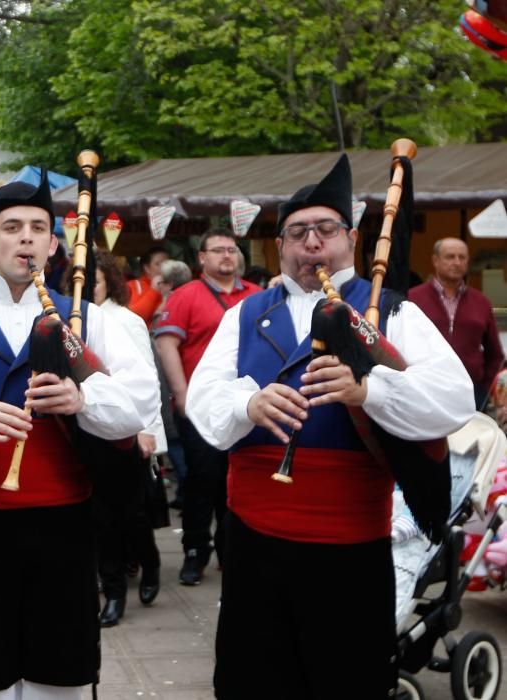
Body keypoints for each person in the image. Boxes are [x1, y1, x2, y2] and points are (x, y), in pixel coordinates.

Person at [187, 155, 475, 699]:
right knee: (254, 681)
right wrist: (247, 404)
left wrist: (371, 391)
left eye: (326, 229)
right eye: (297, 232)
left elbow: (454, 399)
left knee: (346, 682)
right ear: (280, 246)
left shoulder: (389, 311)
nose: (312, 242)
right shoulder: (246, 314)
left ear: (350, 239)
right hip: (253, 542)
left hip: (349, 548)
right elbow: (202, 400)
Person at [0, 173, 159, 700]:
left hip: (65, 522)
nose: (27, 238)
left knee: (60, 673)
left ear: (53, 243)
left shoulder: (89, 320)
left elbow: (140, 405)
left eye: (39, 228)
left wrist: (83, 400)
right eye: (13, 228)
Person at [154, 229, 261, 585]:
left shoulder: (258, 296)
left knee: (242, 480)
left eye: (231, 250)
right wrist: (182, 394)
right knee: (202, 481)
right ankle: (195, 552)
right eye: (218, 250)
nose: (227, 256)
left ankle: (233, 551)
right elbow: (167, 345)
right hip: (202, 406)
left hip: (248, 406)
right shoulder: (185, 296)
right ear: (202, 258)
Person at [90, 251, 165, 626]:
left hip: (128, 433)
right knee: (102, 517)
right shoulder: (73, 318)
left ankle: (149, 562)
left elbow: (147, 382)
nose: (88, 287)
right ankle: (114, 591)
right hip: (89, 431)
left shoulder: (127, 321)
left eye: (95, 280)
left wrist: (147, 430)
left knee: (132, 515)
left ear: (110, 282)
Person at [408, 237, 504, 409]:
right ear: (435, 260)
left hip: (471, 394)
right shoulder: (412, 299)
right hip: (424, 392)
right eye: (450, 257)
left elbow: (495, 354)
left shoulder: (481, 302)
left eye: (462, 257)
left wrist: (485, 389)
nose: (457, 262)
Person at [127, 246, 168, 324]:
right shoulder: (134, 285)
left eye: (166, 263)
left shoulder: (173, 286)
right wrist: (153, 291)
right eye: (157, 264)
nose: (163, 267)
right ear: (147, 268)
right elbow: (133, 317)